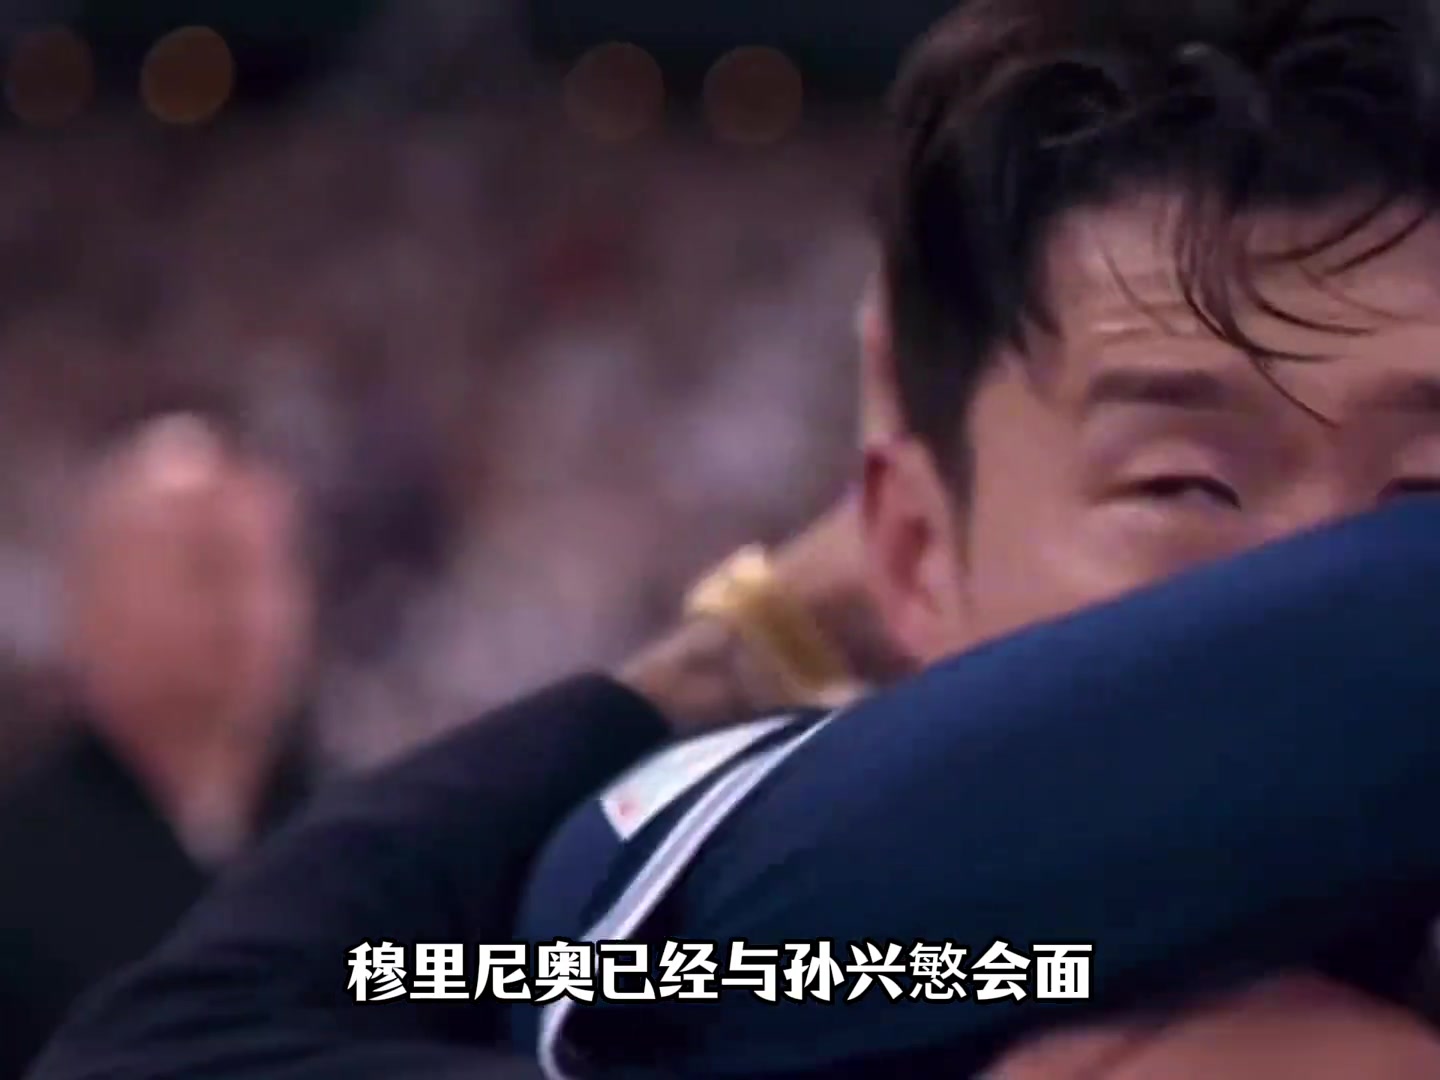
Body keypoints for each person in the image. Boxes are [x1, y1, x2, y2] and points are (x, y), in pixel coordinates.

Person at [30, 0, 1440, 1075]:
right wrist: (747, 642)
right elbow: (200, 1041)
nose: (1301, 593)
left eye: (1426, 490)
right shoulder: (819, 942)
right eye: (1185, 484)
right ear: (916, 556)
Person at [0, 414, 316, 1079]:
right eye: (209, 567)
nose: (251, 608)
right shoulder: (19, 863)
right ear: (91, 601)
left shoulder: (360, 832)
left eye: (272, 567)